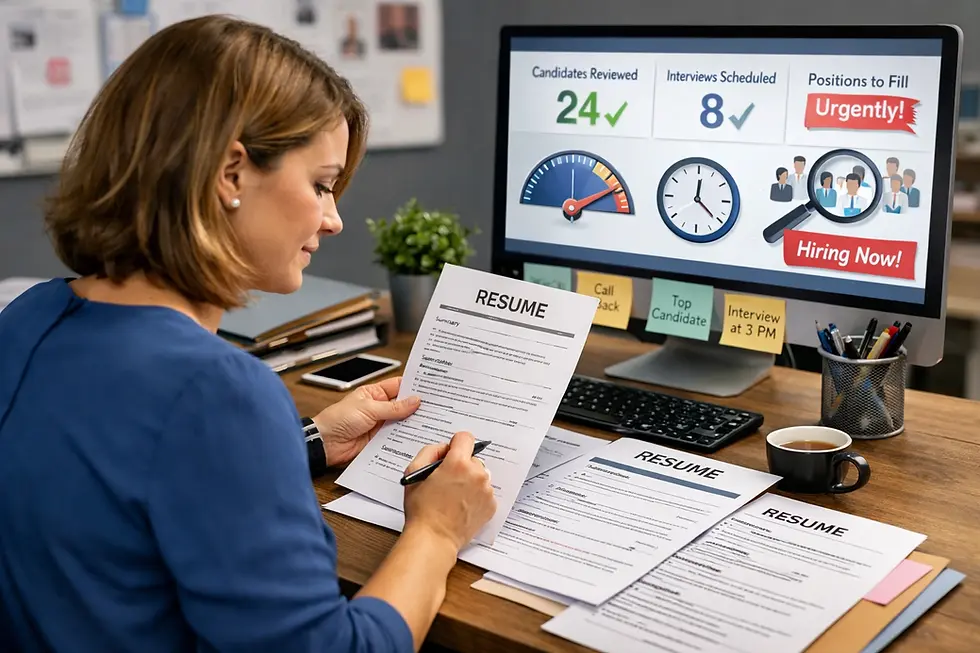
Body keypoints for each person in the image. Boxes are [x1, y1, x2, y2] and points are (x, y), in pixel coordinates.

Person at [0, 15, 495, 653]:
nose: (335, 218)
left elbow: (132, 479)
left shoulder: (29, 317)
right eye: (320, 184)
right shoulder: (215, 390)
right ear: (231, 173)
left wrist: (311, 442)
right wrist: (438, 530)